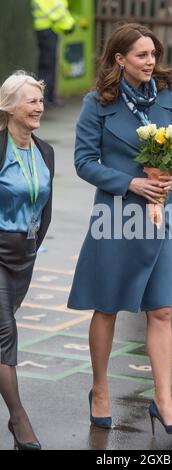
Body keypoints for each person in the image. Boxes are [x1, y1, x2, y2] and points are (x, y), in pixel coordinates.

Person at [67, 23, 172, 436]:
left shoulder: (168, 97)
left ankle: (164, 400)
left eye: (153, 54)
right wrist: (129, 182)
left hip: (160, 214)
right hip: (116, 216)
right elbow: (84, 162)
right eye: (141, 55)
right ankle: (100, 391)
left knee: (163, 309)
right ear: (120, 59)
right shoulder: (96, 103)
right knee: (107, 306)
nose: (150, 61)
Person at [0, 71, 54, 449]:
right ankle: (19, 420)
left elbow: (45, 207)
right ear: (8, 107)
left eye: (40, 100)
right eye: (31, 100)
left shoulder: (45, 151)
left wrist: (33, 246)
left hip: (26, 253)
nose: (39, 107)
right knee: (5, 335)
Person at [31, 0, 75, 106]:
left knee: (50, 64)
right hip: (47, 29)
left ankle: (48, 96)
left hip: (49, 29)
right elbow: (56, 10)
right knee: (47, 64)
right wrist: (69, 24)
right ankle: (43, 98)